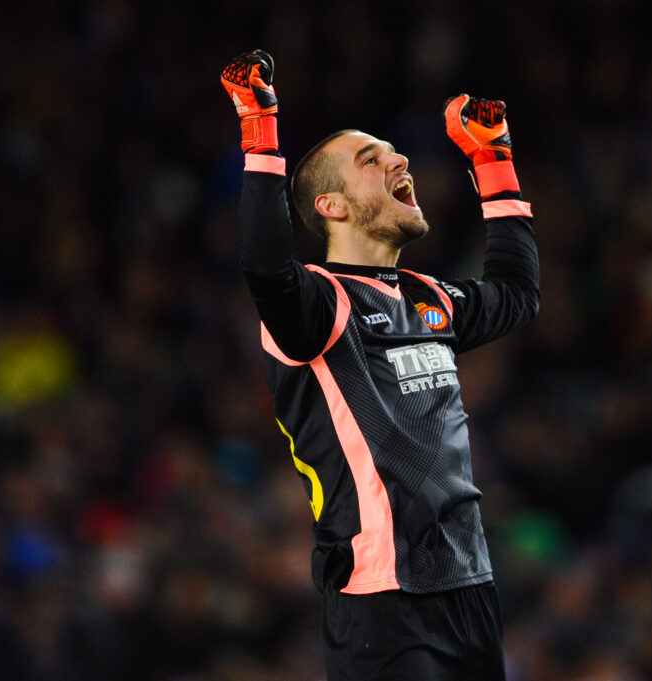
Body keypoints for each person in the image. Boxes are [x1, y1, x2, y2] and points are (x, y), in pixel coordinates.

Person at [220, 50, 539, 680]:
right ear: (332, 207)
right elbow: (264, 268)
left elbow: (518, 295)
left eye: (395, 152)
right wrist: (260, 128)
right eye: (371, 159)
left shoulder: (429, 299)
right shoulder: (318, 306)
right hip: (381, 601)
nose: (399, 161)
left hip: (470, 586)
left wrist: (493, 160)